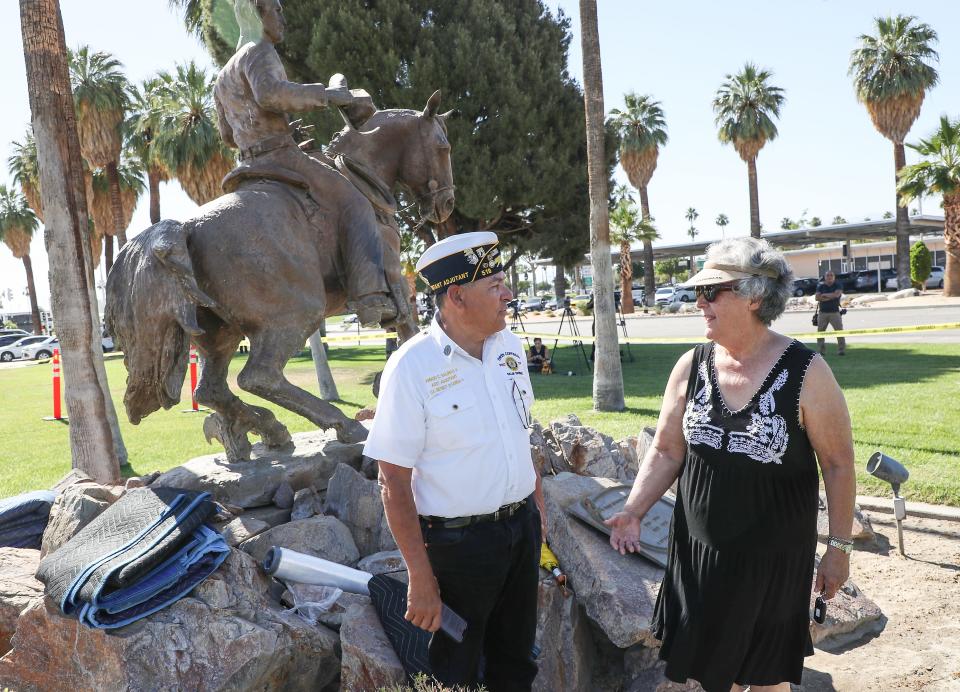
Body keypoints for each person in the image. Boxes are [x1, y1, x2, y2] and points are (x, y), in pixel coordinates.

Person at [605, 237, 856, 692]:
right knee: (712, 677)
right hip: (699, 558)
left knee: (765, 682)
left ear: (754, 295)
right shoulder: (691, 365)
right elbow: (666, 449)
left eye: (712, 292)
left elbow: (838, 464)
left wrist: (839, 549)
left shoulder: (808, 372)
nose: (699, 302)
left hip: (772, 565)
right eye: (698, 292)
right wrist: (633, 511)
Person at [364, 232, 545, 691]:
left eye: (505, 283)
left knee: (516, 662)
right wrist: (419, 577)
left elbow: (521, 439)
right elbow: (393, 482)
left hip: (520, 531)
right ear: (456, 296)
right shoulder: (412, 368)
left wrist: (536, 519)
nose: (508, 294)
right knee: (453, 672)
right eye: (496, 286)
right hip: (457, 550)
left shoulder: (510, 349)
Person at [214, 0, 395, 327]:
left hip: (245, 165)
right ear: (259, 13)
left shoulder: (223, 75)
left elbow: (228, 135)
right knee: (355, 203)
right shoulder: (260, 50)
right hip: (282, 156)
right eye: (277, 9)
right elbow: (271, 95)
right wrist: (328, 95)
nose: (282, 16)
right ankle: (370, 298)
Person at [815, 271, 846, 356]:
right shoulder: (820, 285)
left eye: (831, 275)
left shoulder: (838, 285)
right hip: (822, 313)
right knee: (820, 332)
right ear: (824, 277)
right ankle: (821, 351)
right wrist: (831, 296)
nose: (829, 277)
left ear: (834, 277)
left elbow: (836, 295)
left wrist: (824, 295)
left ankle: (841, 350)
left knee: (839, 332)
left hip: (835, 312)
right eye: (827, 275)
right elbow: (817, 297)